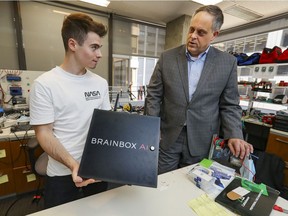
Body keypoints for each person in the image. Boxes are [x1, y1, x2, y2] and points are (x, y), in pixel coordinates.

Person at [145, 5, 254, 174]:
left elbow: (230, 105)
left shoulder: (227, 63)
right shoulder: (167, 58)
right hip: (168, 136)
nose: (192, 36)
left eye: (201, 32)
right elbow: (154, 95)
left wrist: (235, 134)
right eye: (191, 30)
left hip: (202, 140)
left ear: (214, 35)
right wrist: (151, 127)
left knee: (191, 187)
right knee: (160, 181)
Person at [29, 13, 111, 208]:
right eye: (94, 47)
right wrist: (74, 165)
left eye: (99, 48)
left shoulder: (100, 84)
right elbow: (43, 133)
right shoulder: (45, 84)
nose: (99, 54)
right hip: (62, 174)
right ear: (73, 44)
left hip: (96, 170)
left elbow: (106, 125)